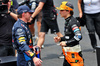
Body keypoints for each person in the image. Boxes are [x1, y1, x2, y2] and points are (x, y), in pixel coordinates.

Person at [54, 1, 84, 66]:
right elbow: (69, 36)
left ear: (68, 11)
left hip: (74, 54)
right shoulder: (68, 21)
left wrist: (66, 43)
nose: (59, 12)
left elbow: (79, 36)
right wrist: (60, 38)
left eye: (62, 10)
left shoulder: (72, 22)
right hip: (69, 53)